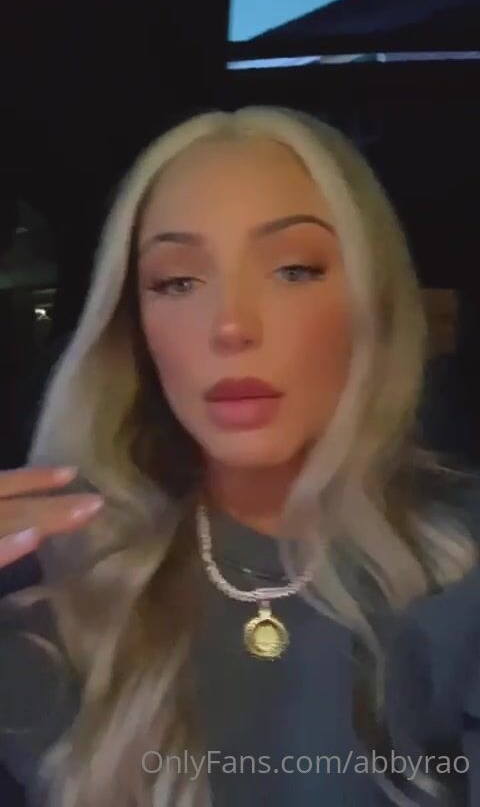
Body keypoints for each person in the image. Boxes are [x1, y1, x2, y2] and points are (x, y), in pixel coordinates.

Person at [0, 106, 480, 807]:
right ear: (134, 329)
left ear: (371, 302)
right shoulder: (56, 577)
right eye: (176, 281)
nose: (230, 326)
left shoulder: (461, 571)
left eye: (293, 269)